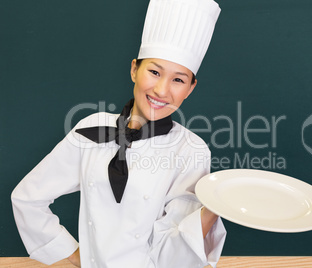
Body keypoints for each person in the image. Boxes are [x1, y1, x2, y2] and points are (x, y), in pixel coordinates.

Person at [11, 0, 226, 267]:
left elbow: (174, 255)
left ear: (191, 88)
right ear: (134, 69)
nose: (161, 90)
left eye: (178, 79)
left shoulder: (191, 150)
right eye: (154, 71)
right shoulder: (92, 129)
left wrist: (215, 209)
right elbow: (27, 197)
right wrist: (75, 254)